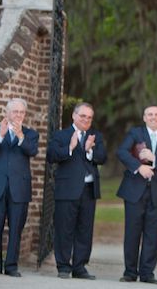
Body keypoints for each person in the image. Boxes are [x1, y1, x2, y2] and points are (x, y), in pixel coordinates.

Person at [117, 105, 157, 285]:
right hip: (134, 192)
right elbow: (121, 152)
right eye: (149, 114)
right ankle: (129, 272)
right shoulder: (135, 133)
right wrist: (139, 167)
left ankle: (147, 273)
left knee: (153, 234)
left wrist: (154, 159)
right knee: (132, 233)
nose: (153, 117)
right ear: (144, 117)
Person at [47, 102, 107, 280]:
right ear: (74, 116)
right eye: (83, 116)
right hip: (66, 190)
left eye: (89, 117)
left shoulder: (95, 136)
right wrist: (70, 147)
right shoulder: (61, 135)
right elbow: (51, 156)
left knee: (85, 229)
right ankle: (63, 266)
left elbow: (103, 157)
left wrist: (89, 150)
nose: (86, 120)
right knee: (64, 229)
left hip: (88, 190)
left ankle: (80, 267)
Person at [0, 98, 39, 277]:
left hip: (19, 188)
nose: (19, 115)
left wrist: (21, 136)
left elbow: (32, 151)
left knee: (16, 228)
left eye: (22, 112)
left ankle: (12, 266)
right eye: (15, 112)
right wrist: (1, 135)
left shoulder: (30, 134)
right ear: (7, 113)